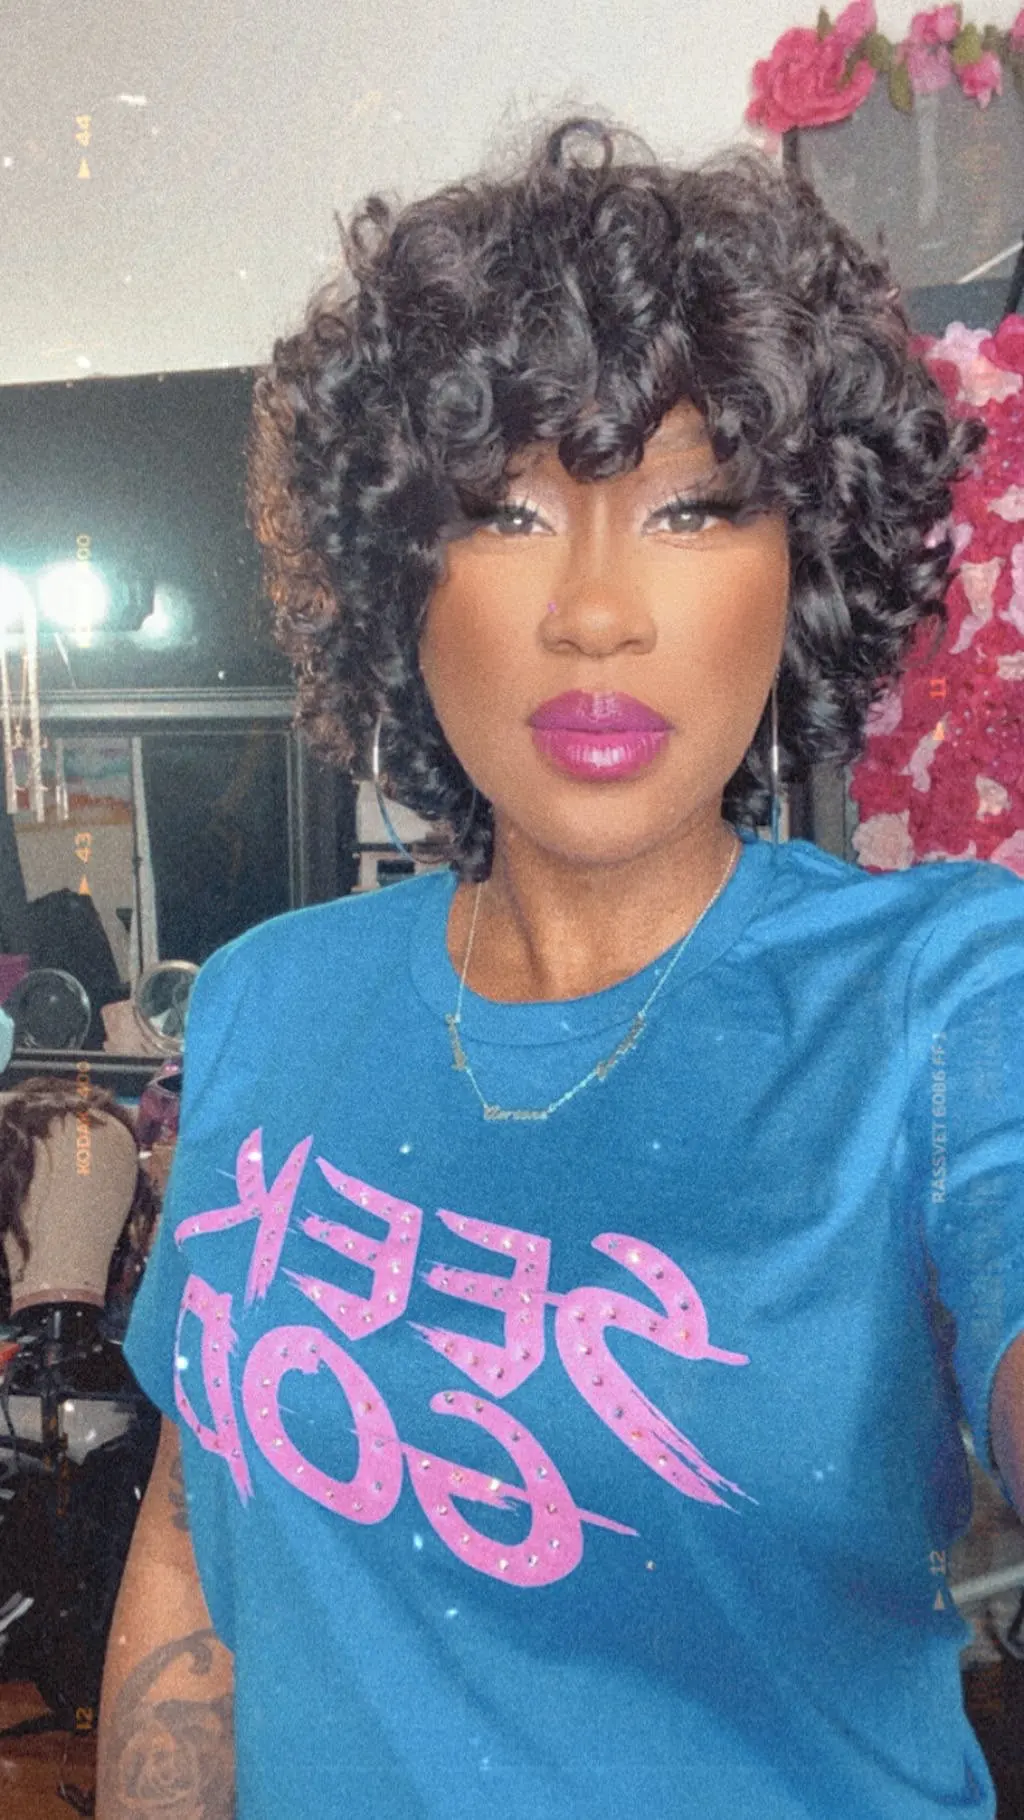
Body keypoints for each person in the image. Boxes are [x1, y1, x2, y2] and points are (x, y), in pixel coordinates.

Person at [97, 117, 1024, 1820]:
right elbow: (192, 1533)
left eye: (693, 506)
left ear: (803, 558)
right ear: (398, 568)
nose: (596, 612)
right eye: (508, 508)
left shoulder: (946, 1000)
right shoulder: (268, 998)